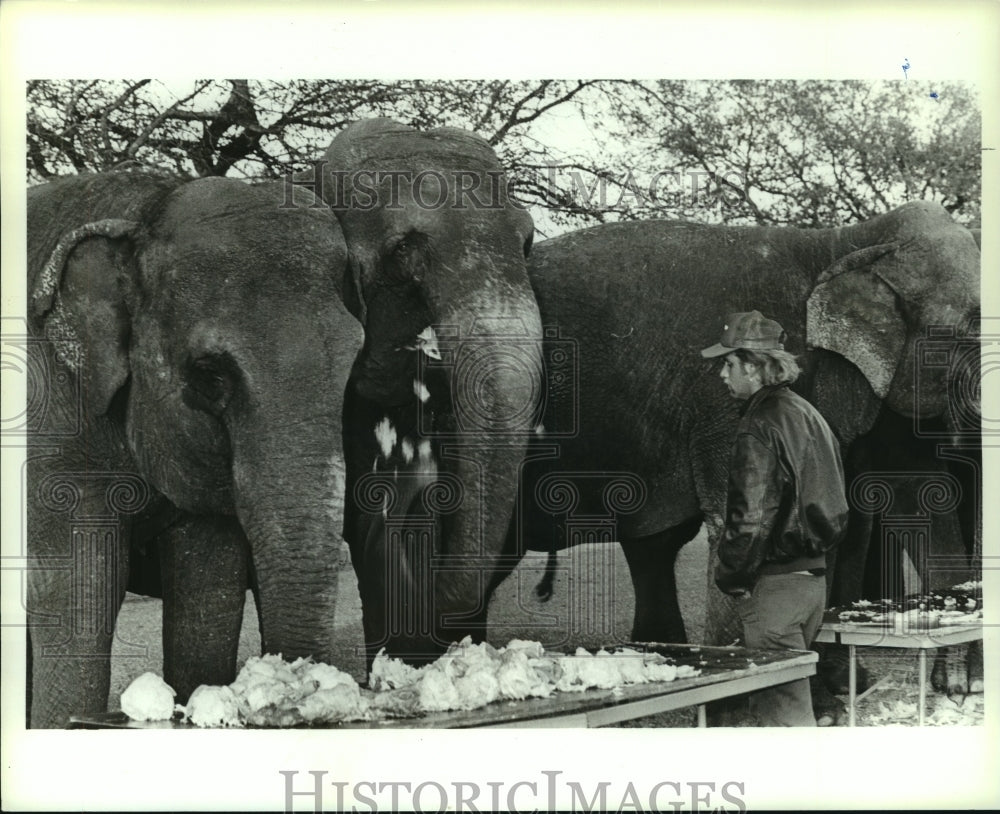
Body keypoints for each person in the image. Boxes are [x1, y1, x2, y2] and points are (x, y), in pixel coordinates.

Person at [701, 310, 849, 726]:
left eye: (728, 364)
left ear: (752, 365)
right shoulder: (809, 414)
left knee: (784, 721)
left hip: (776, 591)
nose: (722, 375)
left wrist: (732, 578)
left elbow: (750, 519)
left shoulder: (759, 425)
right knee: (782, 712)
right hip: (813, 585)